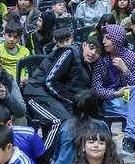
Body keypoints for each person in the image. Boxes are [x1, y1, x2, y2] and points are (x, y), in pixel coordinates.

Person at [92, 25, 135, 164]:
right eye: (104, 38)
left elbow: (134, 85)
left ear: (117, 39)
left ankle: (130, 135)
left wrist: (124, 70)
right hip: (111, 100)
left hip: (130, 99)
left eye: (108, 38)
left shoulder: (132, 57)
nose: (104, 41)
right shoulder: (101, 60)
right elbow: (96, 89)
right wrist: (115, 94)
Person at [24, 21, 90, 153]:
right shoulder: (69, 51)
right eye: (59, 41)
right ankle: (41, 157)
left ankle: (60, 157)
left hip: (49, 94)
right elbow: (49, 80)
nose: (62, 44)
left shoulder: (79, 57)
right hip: (36, 92)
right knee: (57, 121)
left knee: (72, 122)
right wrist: (66, 100)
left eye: (65, 40)